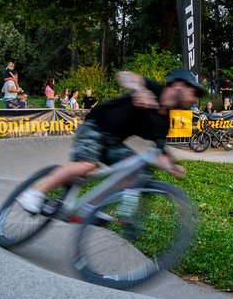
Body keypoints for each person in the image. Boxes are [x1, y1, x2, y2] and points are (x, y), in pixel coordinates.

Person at [16, 68, 205, 213]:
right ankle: (34, 192)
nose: (194, 99)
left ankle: (90, 209)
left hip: (113, 142)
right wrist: (138, 89)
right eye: (193, 92)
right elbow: (124, 76)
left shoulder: (165, 122)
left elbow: (160, 151)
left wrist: (172, 167)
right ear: (178, 85)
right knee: (87, 165)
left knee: (133, 173)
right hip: (96, 125)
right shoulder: (154, 88)